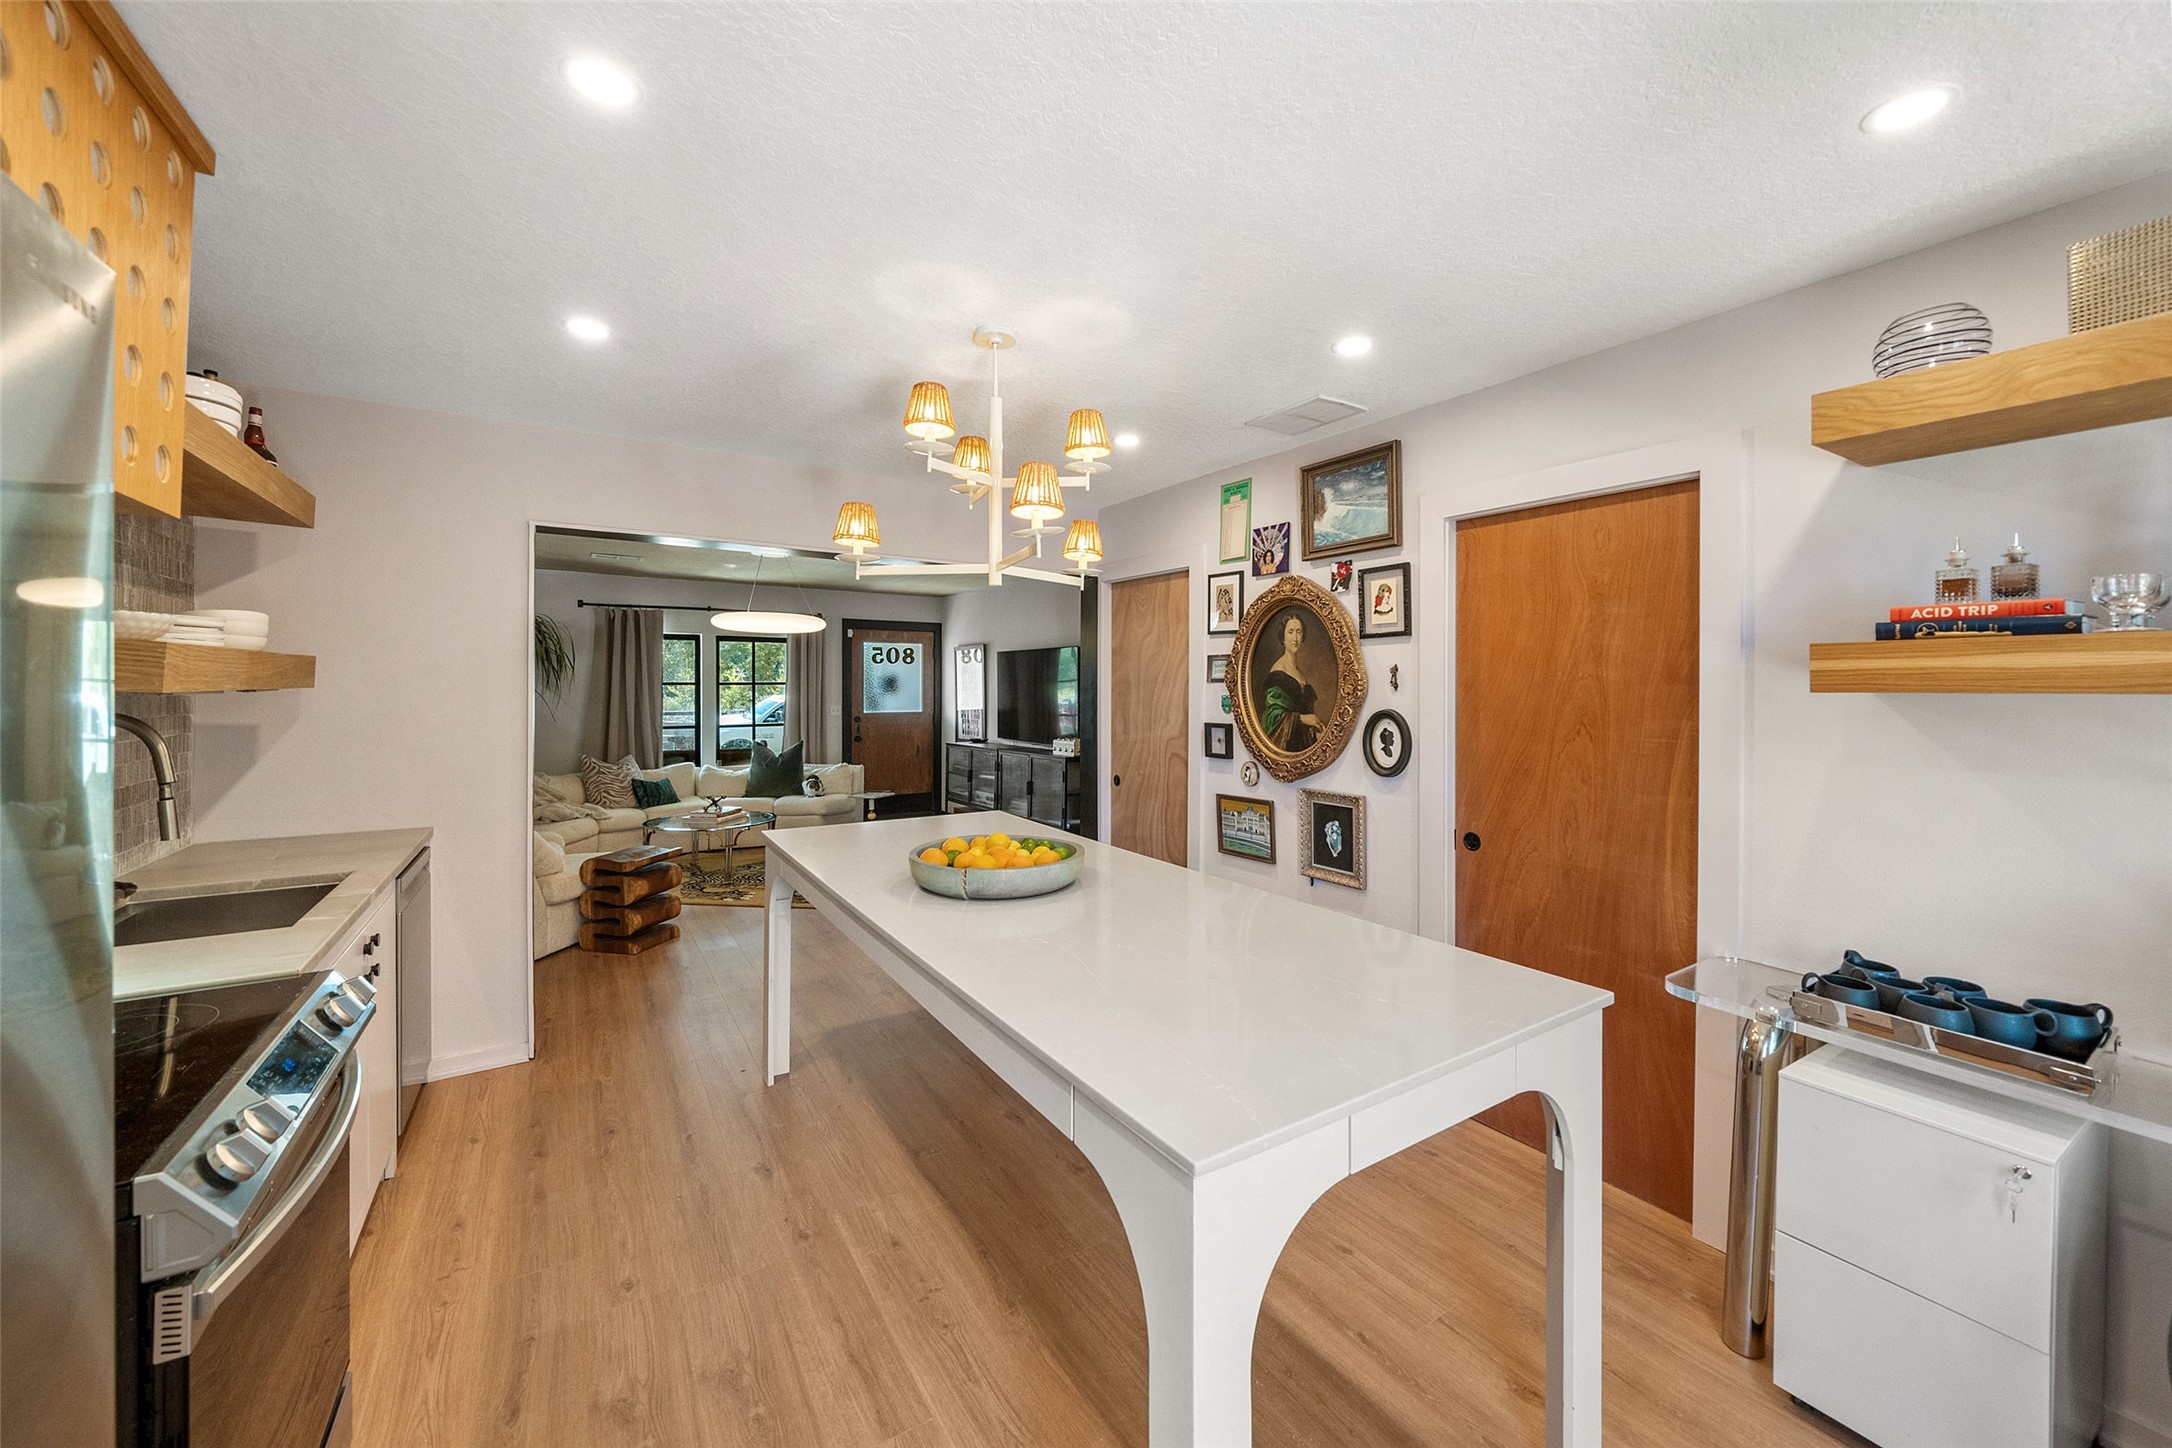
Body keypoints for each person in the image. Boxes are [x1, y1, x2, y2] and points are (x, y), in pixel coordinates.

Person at [1259, 611, 1322, 752]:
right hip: (1286, 746)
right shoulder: (1277, 673)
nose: (1295, 638)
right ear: (1283, 637)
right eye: (1291, 632)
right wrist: (1302, 719)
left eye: (1299, 632)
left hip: (1301, 744)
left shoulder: (1300, 673)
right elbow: (1272, 717)